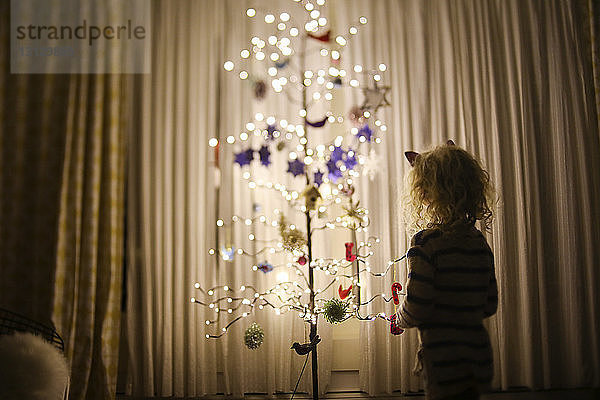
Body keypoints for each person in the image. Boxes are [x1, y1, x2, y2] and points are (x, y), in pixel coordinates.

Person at [397, 140, 498, 400]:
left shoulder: (425, 242)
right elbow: (490, 304)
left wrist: (399, 317)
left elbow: (417, 305)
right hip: (478, 355)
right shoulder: (479, 242)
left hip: (443, 357)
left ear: (424, 193)